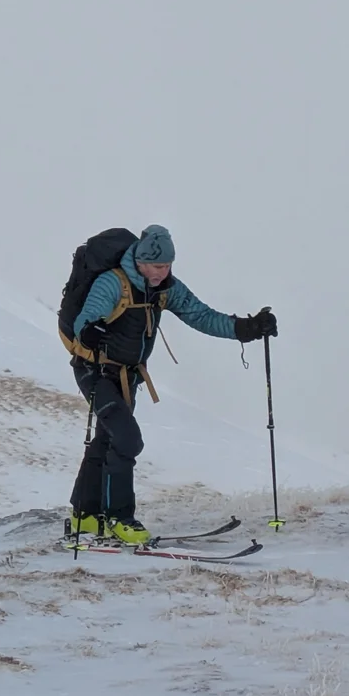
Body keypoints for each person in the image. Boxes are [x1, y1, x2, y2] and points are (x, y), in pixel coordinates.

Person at [65, 226, 276, 544]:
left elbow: (201, 316)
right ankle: (119, 518)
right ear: (141, 261)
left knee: (107, 441)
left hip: (129, 375)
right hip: (94, 370)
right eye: (158, 266)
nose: (164, 272)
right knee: (127, 439)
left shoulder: (166, 289)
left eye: (168, 266)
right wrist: (90, 330)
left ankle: (85, 515)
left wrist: (247, 328)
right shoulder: (113, 283)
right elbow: (86, 318)